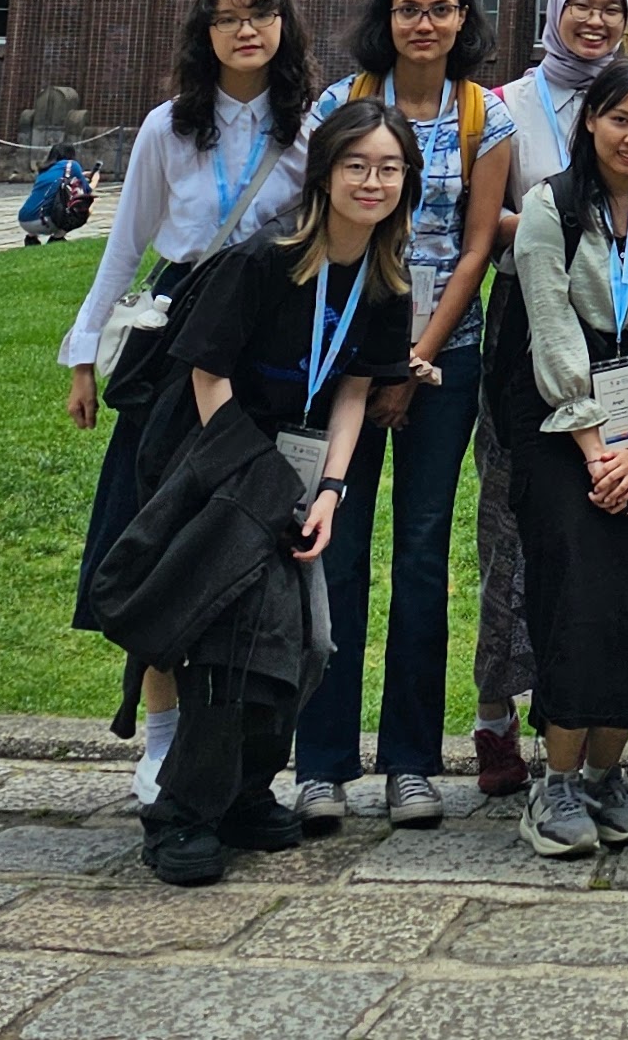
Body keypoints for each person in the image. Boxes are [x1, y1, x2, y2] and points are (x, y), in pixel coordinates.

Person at [127, 93, 424, 884]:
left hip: (298, 474)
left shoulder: (387, 279)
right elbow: (206, 371)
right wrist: (250, 478)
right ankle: (181, 814)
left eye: (389, 168)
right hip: (215, 462)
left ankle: (246, 790)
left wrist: (330, 487)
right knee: (235, 642)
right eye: (357, 165)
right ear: (324, 172)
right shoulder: (264, 258)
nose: (373, 181)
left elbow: (355, 389)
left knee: (312, 643)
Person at [62, 0, 318, 807]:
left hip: (265, 342)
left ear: (284, 25)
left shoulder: (309, 129)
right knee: (164, 530)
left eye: (262, 14)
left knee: (245, 542)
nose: (247, 30)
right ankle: (162, 731)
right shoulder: (168, 128)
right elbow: (125, 243)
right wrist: (84, 352)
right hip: (174, 341)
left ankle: (239, 748)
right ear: (203, 33)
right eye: (227, 18)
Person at [291, 0, 518, 832]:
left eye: (442, 9)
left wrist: (417, 358)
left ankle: (413, 763)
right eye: (408, 8)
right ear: (385, 16)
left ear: (465, 19)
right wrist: (374, 364)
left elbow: (475, 247)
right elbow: (318, 221)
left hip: (443, 361)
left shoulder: (483, 115)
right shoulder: (338, 104)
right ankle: (322, 762)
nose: (425, 23)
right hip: (340, 358)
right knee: (333, 547)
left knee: (422, 556)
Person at [490, 50, 628, 858]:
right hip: (561, 427)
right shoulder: (551, 207)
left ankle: (607, 775)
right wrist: (594, 446)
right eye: (621, 118)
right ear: (591, 120)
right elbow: (548, 325)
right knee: (574, 594)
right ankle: (555, 780)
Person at [469, 0, 628, 797]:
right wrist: (549, 236)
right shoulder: (508, 106)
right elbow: (482, 215)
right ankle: (496, 713)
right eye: (584, 3)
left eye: (612, 6)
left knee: (597, 532)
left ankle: (575, 715)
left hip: (615, 335)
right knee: (512, 523)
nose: (597, 19)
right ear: (556, 9)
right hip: (523, 330)